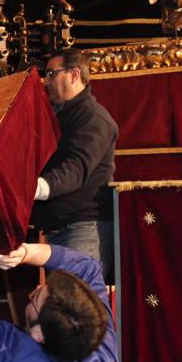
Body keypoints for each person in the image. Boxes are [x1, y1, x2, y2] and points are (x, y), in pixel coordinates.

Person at [33, 49, 119, 282]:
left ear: (74, 74)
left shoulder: (94, 118)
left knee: (74, 311)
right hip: (62, 229)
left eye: (51, 73)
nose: (46, 81)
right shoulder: (60, 115)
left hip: (83, 230)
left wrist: (35, 188)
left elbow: (76, 168)